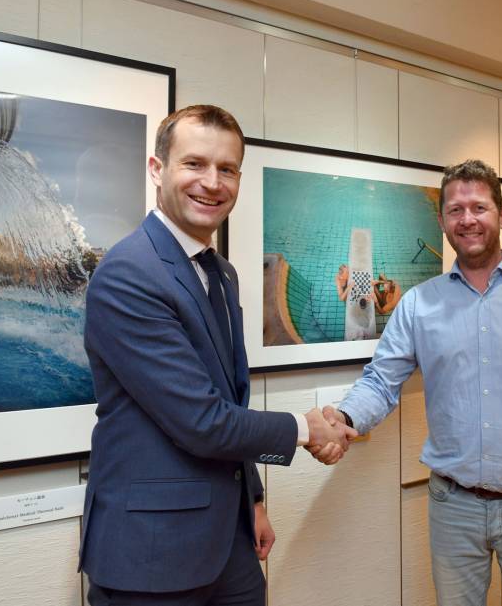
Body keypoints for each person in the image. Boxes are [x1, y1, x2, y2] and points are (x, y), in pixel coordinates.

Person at [79, 104, 356, 606]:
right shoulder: (129, 274)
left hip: (228, 541)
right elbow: (201, 420)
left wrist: (251, 498)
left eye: (227, 169)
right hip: (152, 555)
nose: (212, 182)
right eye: (195, 164)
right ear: (157, 169)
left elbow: (228, 397)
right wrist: (306, 428)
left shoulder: (220, 272)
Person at [322, 159, 502, 606]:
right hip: (452, 509)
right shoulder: (418, 305)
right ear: (442, 220)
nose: (467, 219)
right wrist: (344, 416)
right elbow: (381, 381)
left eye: (479, 207)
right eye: (455, 210)